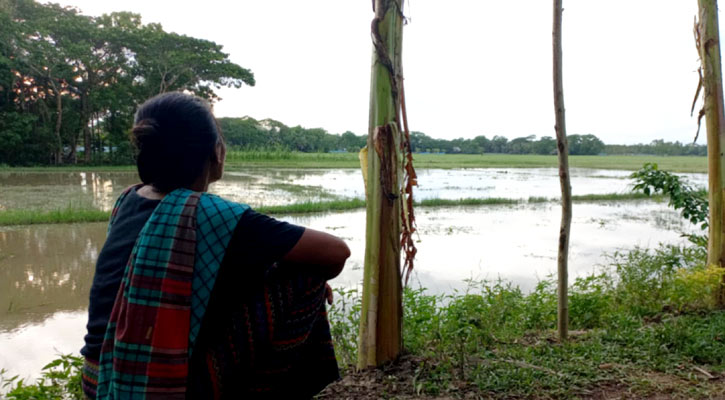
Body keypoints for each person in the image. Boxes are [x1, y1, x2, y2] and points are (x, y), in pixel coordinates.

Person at [80, 92, 350, 399]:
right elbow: (335, 254)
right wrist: (298, 274)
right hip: (160, 388)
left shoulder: (129, 198)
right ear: (216, 151)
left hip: (99, 377)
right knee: (308, 279)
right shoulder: (211, 214)